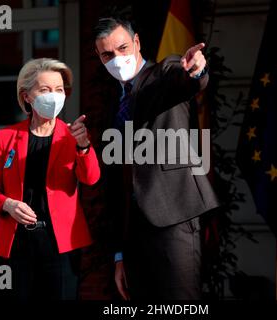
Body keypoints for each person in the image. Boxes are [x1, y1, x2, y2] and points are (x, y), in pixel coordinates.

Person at [94, 17, 220, 300]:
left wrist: (196, 71)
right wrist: (118, 254)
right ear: (99, 57)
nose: (117, 59)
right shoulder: (111, 103)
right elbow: (114, 182)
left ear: (137, 42)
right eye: (107, 55)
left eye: (123, 48)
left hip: (173, 215)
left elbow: (185, 80)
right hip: (132, 231)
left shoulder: (164, 72)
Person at [0, 58, 100, 300]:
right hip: (15, 243)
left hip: (61, 244)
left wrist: (84, 146)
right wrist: (8, 204)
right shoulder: (6, 137)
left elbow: (90, 178)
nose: (54, 96)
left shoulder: (72, 135)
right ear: (27, 96)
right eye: (45, 90)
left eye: (59, 90)